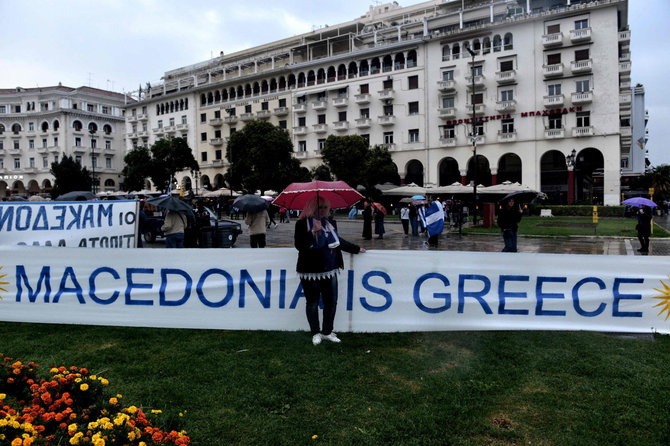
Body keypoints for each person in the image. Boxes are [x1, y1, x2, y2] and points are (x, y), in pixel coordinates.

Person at [295, 197, 365, 345]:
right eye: (320, 207)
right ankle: (315, 332)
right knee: (312, 303)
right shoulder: (301, 223)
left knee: (331, 302)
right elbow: (299, 245)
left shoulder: (330, 223)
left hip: (329, 268)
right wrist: (312, 231)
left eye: (326, 207)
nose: (324, 210)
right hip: (309, 270)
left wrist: (356, 249)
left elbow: (338, 242)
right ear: (312, 208)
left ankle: (327, 331)